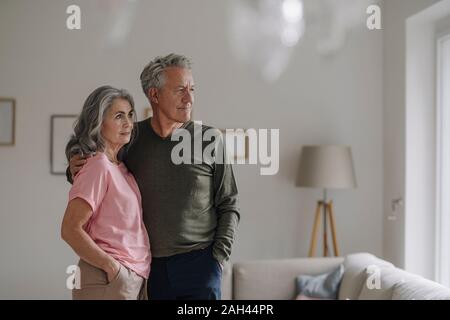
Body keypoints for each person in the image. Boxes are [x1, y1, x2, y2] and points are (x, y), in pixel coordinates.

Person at [68, 54, 240, 300]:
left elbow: (229, 202)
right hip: (150, 271)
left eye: (192, 89)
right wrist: (72, 166)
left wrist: (218, 258)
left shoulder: (209, 139)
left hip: (200, 265)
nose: (189, 98)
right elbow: (98, 163)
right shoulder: (131, 138)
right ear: (154, 95)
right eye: (180, 90)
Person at [61, 86, 151, 300]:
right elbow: (70, 229)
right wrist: (112, 268)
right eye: (119, 116)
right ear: (98, 122)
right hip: (107, 277)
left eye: (130, 115)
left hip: (131, 277)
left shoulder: (120, 167)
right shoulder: (98, 164)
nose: (128, 123)